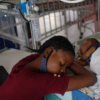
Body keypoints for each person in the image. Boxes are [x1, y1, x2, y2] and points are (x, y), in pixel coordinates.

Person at [0, 36, 96, 100]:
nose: (63, 71)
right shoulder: (36, 81)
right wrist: (71, 63)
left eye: (66, 66)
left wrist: (68, 61)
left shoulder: (28, 61)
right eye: (62, 64)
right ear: (47, 52)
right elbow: (91, 78)